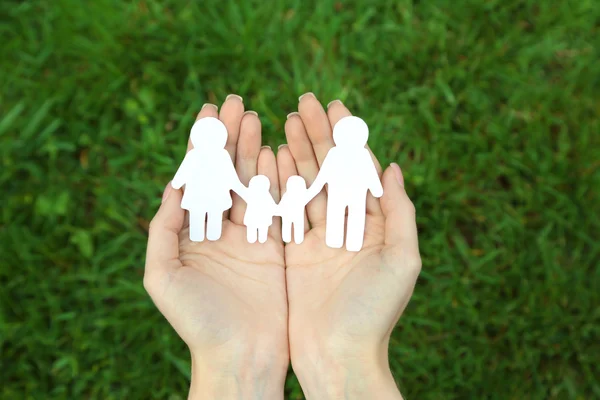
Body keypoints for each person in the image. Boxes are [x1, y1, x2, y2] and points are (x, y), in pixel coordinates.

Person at [144, 93, 421, 399]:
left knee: (353, 221)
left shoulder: (345, 157)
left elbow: (236, 182)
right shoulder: (202, 157)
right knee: (201, 221)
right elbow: (320, 180)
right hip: (219, 197)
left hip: (346, 195)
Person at [171, 116, 247, 242]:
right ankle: (204, 234)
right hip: (209, 195)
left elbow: (231, 177)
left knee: (210, 214)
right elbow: (231, 178)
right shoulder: (202, 155)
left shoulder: (209, 155)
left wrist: (176, 183)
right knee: (205, 214)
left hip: (203, 195)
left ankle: (209, 235)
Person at [243, 175, 278, 243]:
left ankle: (259, 238)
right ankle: (255, 238)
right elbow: (273, 206)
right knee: (255, 229)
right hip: (256, 218)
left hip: (259, 219)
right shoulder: (252, 194)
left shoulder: (265, 196)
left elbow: (272, 206)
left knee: (260, 229)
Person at [277, 175, 309, 244]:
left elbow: (282, 204)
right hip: (289, 215)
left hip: (295, 215)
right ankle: (288, 237)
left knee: (295, 226)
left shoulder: (301, 196)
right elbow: (282, 204)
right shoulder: (287, 195)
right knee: (288, 225)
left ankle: (297, 238)